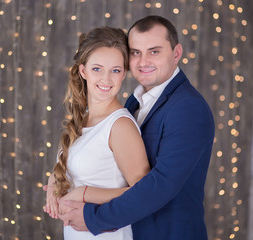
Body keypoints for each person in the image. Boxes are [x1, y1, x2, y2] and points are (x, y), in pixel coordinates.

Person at [58, 15, 215, 240]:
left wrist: (93, 216)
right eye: (135, 52)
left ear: (176, 53)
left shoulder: (188, 108)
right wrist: (57, 180)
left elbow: (159, 187)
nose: (143, 62)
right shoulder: (135, 101)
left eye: (154, 51)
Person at [43, 26, 150, 239]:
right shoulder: (83, 118)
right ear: (83, 71)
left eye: (116, 70)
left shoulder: (120, 126)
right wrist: (55, 182)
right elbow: (74, 166)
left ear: (124, 74)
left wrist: (83, 193)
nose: (106, 79)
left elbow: (145, 194)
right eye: (97, 69)